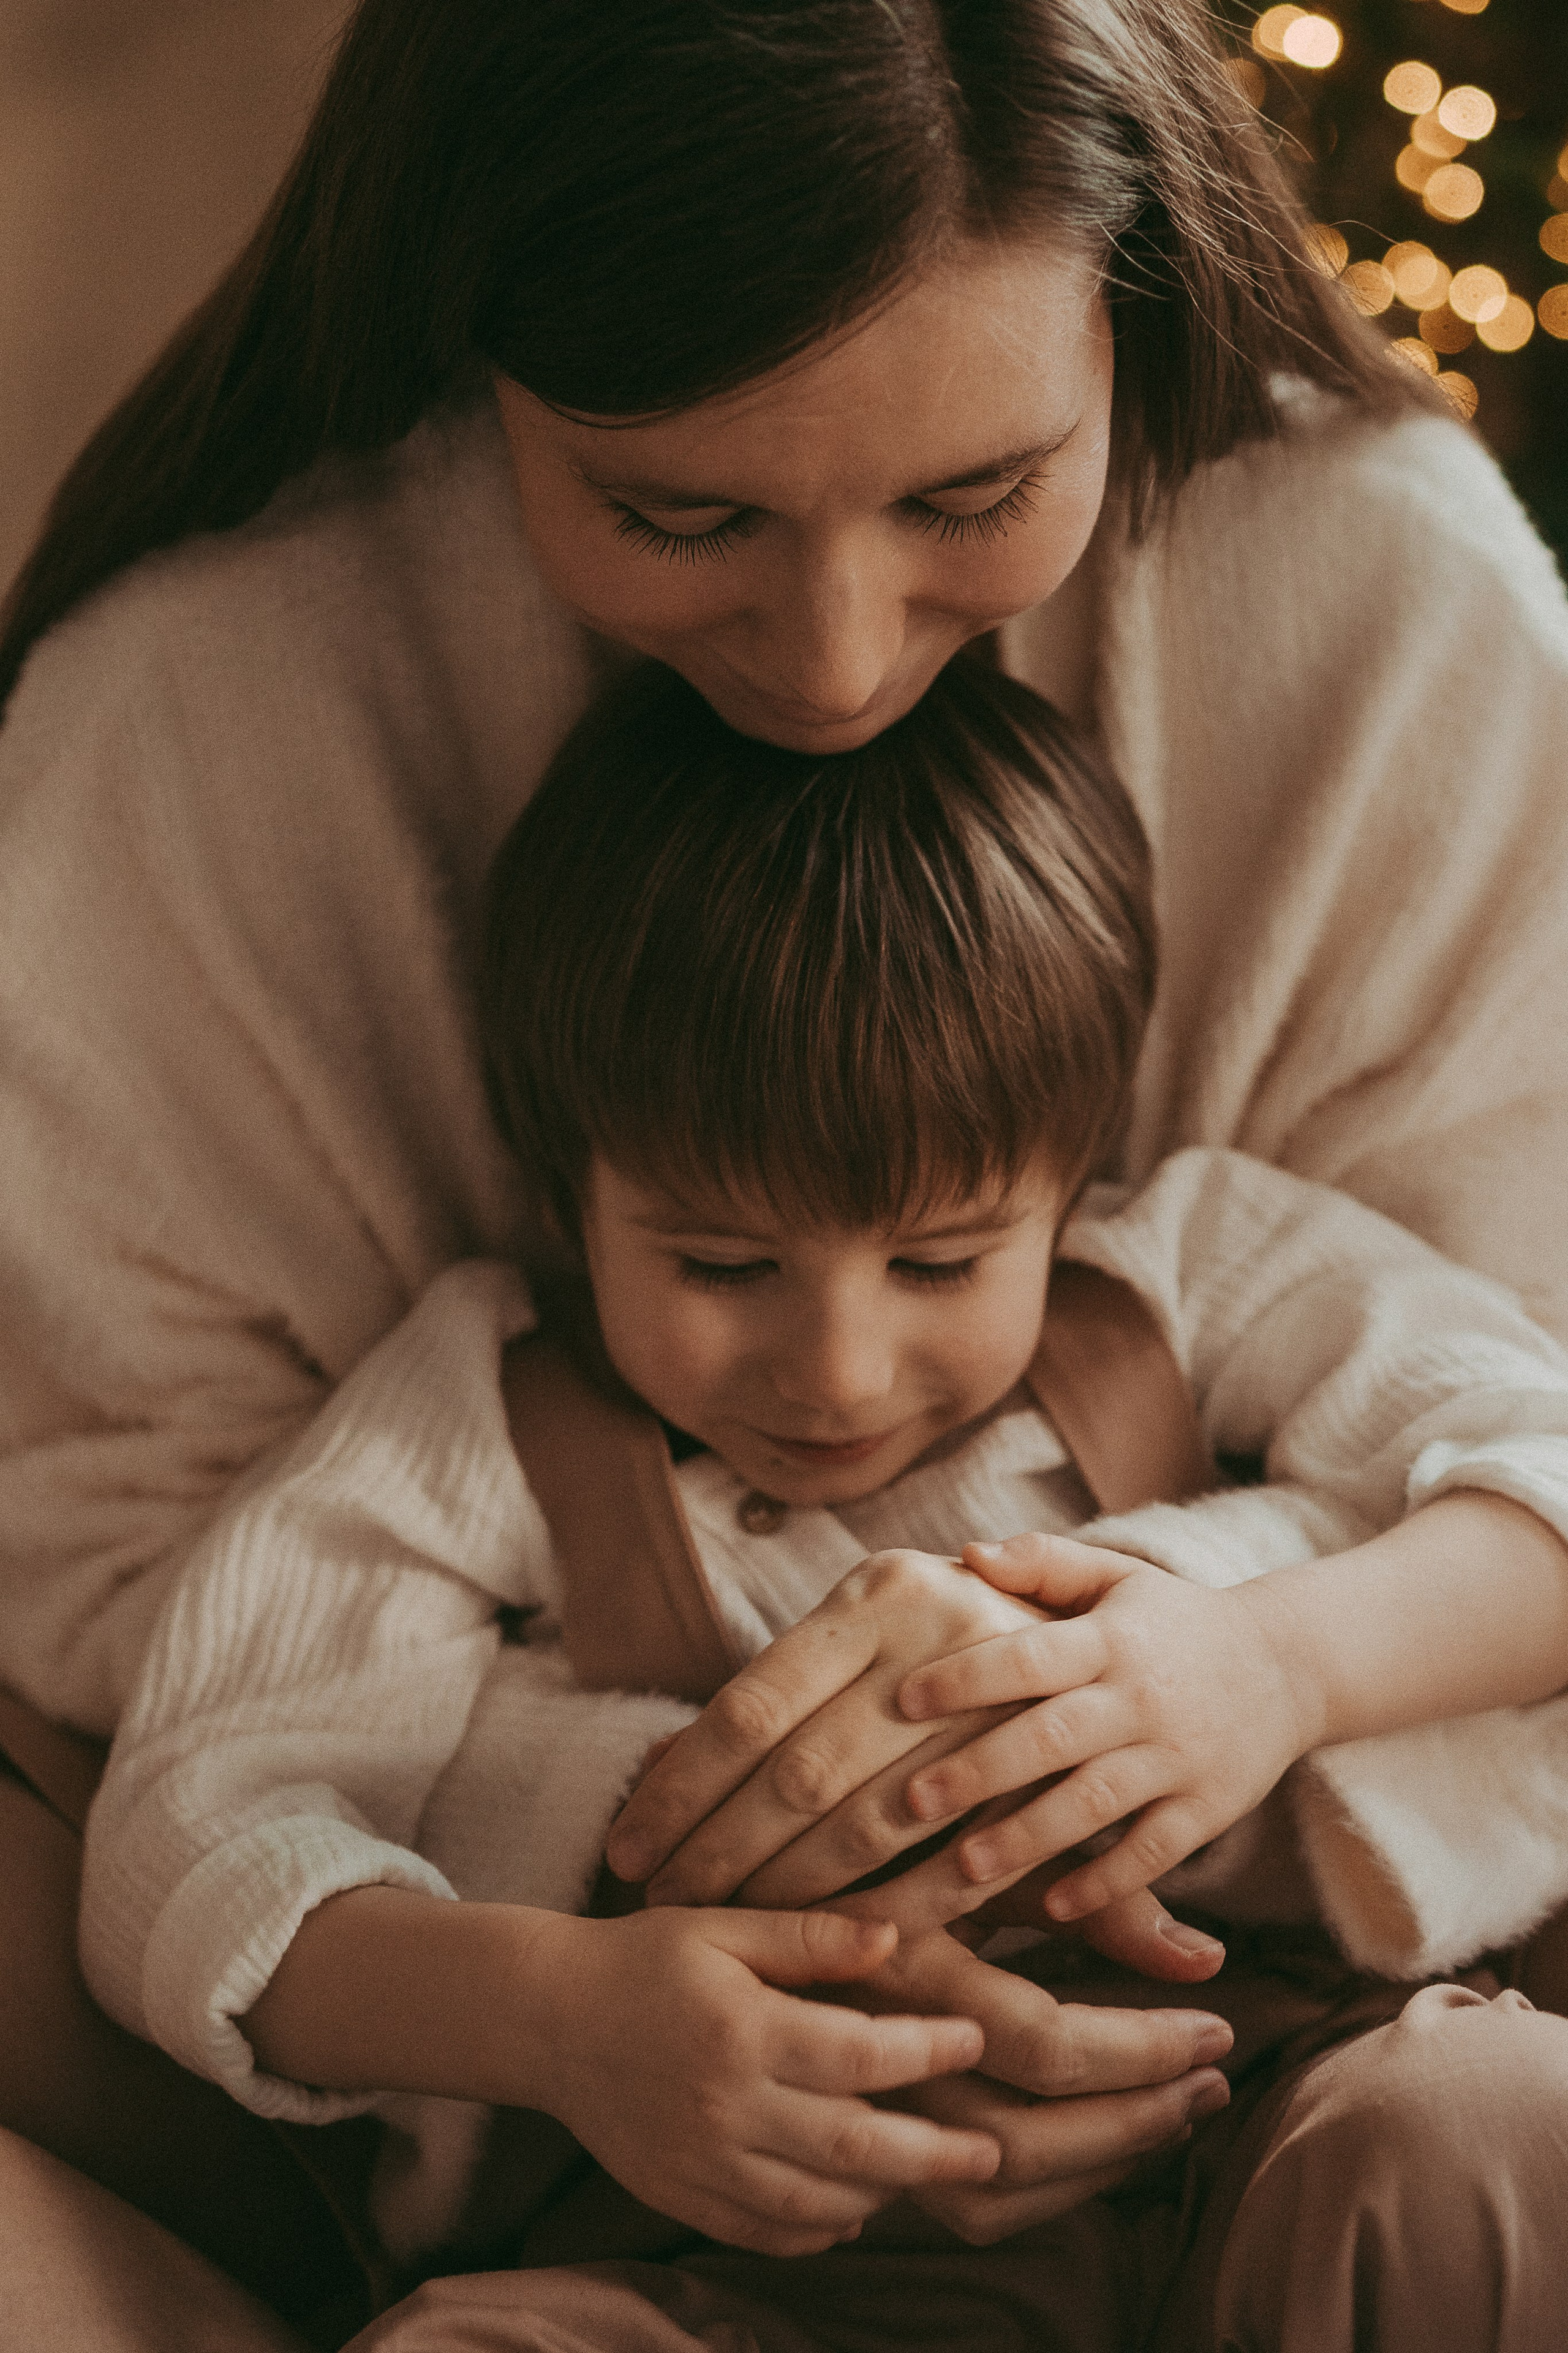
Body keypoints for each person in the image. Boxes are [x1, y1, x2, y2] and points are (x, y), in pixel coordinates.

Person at [1, 0, 1566, 2343]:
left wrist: (1204, 1663)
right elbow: (184, 1735)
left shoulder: (1218, 1221)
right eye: (679, 511)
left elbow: (1519, 1431)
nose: (840, 665)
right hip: (692, 2214)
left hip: (1273, 2085)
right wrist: (645, 1891)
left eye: (972, 498)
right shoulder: (219, 774)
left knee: (1496, 2143)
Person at [81, 657, 1568, 2351]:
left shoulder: (1190, 1272)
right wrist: (563, 2020)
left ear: (1073, 1173)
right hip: (748, 2261)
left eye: (943, 1258)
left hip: (1270, 2133)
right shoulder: (481, 1414)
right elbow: (189, 1833)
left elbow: (1544, 1475)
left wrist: (1276, 1667)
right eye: (723, 1261)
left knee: (1501, 2127)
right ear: (571, 1186)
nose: (841, 1369)